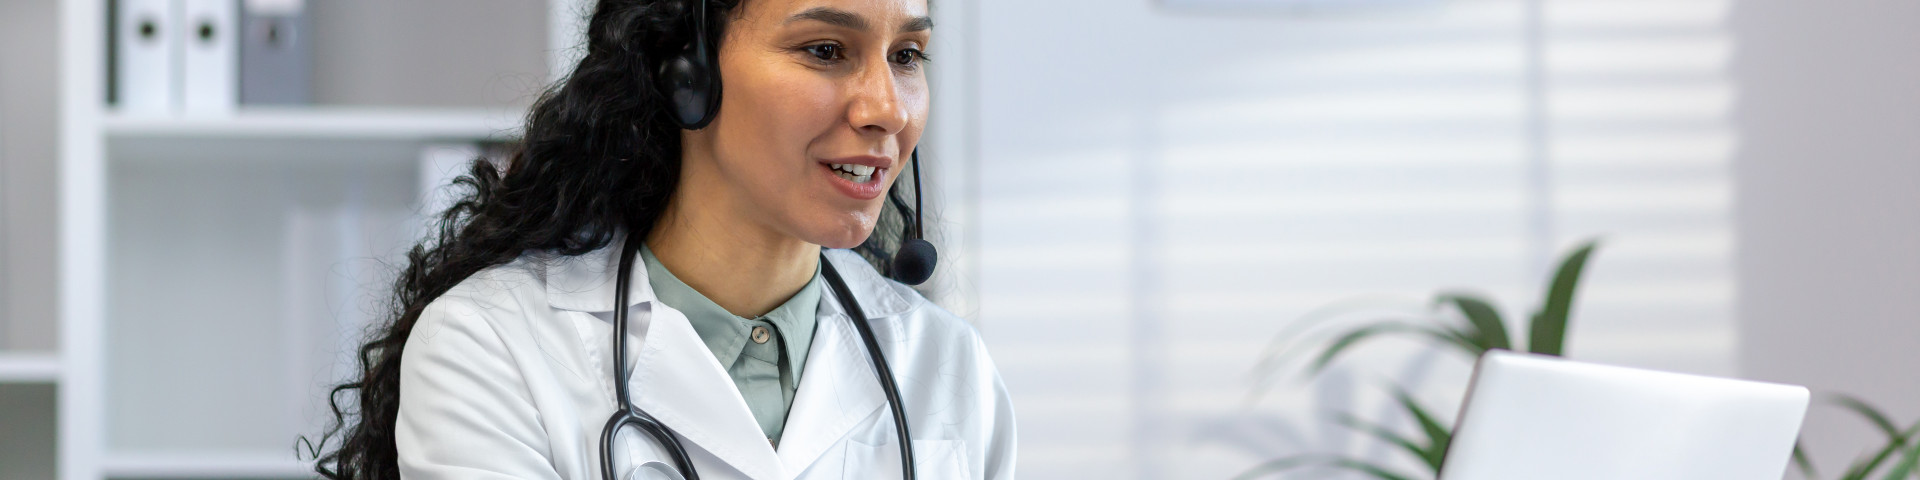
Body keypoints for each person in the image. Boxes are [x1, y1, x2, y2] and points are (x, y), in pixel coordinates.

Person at [309, 0, 1016, 478]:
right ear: (685, 73)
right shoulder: (490, 349)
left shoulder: (945, 367)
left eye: (907, 55)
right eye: (826, 49)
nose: (887, 109)